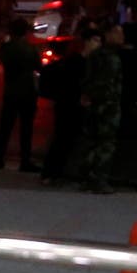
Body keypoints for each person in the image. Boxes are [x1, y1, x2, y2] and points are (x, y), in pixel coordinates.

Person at [74, 24, 124, 193]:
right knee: (105, 144)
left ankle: (88, 178)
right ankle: (99, 180)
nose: (121, 36)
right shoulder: (111, 58)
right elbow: (107, 83)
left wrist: (88, 96)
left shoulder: (96, 55)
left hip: (96, 105)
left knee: (93, 142)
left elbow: (87, 80)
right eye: (118, 32)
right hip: (107, 106)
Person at [40, 23, 89, 183]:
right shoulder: (78, 63)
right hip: (70, 105)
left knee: (61, 138)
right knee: (64, 139)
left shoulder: (68, 61)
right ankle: (53, 172)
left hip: (64, 104)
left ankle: (51, 172)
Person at [0, 18, 41, 171]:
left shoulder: (7, 48)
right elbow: (38, 66)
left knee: (6, 126)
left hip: (11, 91)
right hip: (27, 91)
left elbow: (0, 55)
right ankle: (25, 160)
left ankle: (0, 158)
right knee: (26, 128)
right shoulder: (30, 49)